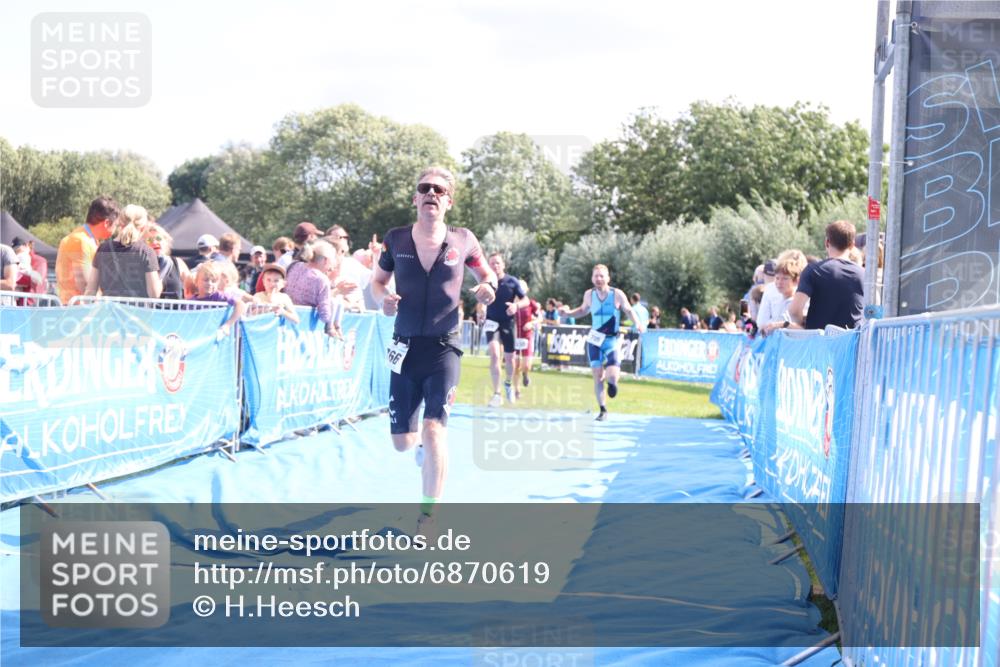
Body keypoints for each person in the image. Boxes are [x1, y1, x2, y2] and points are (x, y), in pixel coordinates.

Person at [371, 166, 497, 531]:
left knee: (434, 428)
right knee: (403, 442)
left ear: (448, 202)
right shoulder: (395, 239)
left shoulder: (463, 239)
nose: (431, 194)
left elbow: (487, 275)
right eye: (425, 188)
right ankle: (421, 450)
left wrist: (487, 288)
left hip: (445, 347)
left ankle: (427, 516)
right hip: (404, 346)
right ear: (415, 198)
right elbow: (378, 282)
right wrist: (383, 300)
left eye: (439, 190)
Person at [560, 264, 646, 421]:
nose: (599, 279)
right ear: (592, 278)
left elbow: (628, 310)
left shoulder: (616, 294)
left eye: (602, 276)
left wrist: (638, 324)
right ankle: (603, 409)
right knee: (597, 375)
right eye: (596, 276)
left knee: (612, 377)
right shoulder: (589, 294)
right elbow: (583, 310)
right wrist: (568, 313)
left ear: (608, 278)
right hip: (594, 340)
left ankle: (612, 384)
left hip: (611, 340)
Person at [789, 220, 864, 330]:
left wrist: (801, 324)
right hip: (852, 338)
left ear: (827, 242)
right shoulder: (863, 274)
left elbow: (794, 311)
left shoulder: (813, 270)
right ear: (852, 245)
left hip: (819, 338)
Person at [86, 204, 162, 299]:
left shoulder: (102, 249)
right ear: (143, 228)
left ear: (120, 223)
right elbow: (154, 294)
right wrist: (160, 283)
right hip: (136, 308)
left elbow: (90, 291)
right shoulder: (146, 252)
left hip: (109, 308)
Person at [55, 196, 120, 304]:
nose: (115, 229)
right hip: (77, 309)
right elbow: (86, 286)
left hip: (80, 307)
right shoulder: (80, 240)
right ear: (107, 223)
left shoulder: (87, 239)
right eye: (116, 225)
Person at [482, 252, 526, 407]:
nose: (495, 266)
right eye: (492, 263)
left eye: (498, 263)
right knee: (494, 355)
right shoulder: (486, 282)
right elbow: (480, 300)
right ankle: (497, 394)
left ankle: (508, 383)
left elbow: (525, 300)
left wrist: (516, 306)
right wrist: (481, 310)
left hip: (508, 323)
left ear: (503, 265)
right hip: (491, 322)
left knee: (510, 359)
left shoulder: (512, 281)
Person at [285, 239, 342, 338]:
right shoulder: (321, 279)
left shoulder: (293, 266)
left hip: (284, 320)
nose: (331, 268)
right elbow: (325, 316)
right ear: (326, 260)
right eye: (332, 262)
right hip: (305, 329)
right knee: (336, 301)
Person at [191, 261, 246, 337]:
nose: (210, 283)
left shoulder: (220, 296)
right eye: (206, 280)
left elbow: (241, 305)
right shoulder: (191, 302)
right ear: (196, 282)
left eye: (213, 281)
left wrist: (227, 325)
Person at [760, 250, 808, 336]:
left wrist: (782, 325)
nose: (779, 282)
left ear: (796, 280)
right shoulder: (778, 297)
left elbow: (806, 331)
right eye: (777, 278)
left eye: (785, 278)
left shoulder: (803, 301)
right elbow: (761, 323)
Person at [144, 224, 190, 300]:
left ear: (166, 241)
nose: (155, 242)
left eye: (158, 238)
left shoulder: (178, 263)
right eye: (150, 240)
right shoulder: (141, 264)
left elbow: (192, 289)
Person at [513, 279, 541, 394]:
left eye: (522, 287)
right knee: (515, 365)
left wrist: (531, 323)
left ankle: (525, 374)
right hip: (514, 337)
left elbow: (540, 318)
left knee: (526, 365)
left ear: (527, 289)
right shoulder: (511, 303)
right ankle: (516, 390)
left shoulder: (531, 303)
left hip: (527, 337)